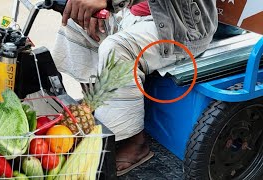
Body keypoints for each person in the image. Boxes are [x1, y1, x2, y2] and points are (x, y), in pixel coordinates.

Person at [52, 0, 218, 176]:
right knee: (75, 23)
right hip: (129, 14)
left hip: (180, 25)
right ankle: (97, 114)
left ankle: (135, 143)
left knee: (116, 49)